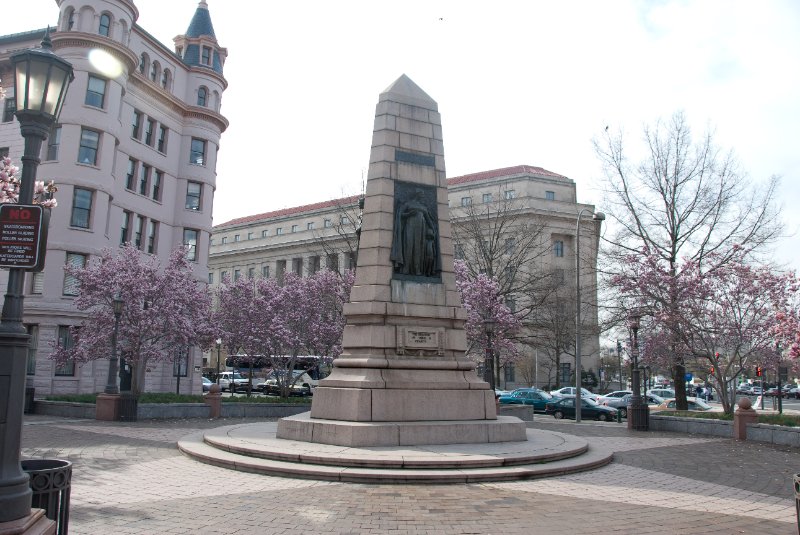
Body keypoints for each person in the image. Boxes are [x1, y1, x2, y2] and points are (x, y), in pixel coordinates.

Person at [390, 188, 441, 277]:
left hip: (421, 230)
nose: (423, 196)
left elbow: (428, 220)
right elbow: (400, 214)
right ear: (417, 194)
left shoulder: (423, 207)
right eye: (422, 194)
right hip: (409, 227)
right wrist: (409, 214)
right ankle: (406, 268)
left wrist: (433, 230)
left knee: (418, 249)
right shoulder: (408, 204)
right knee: (408, 247)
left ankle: (417, 269)